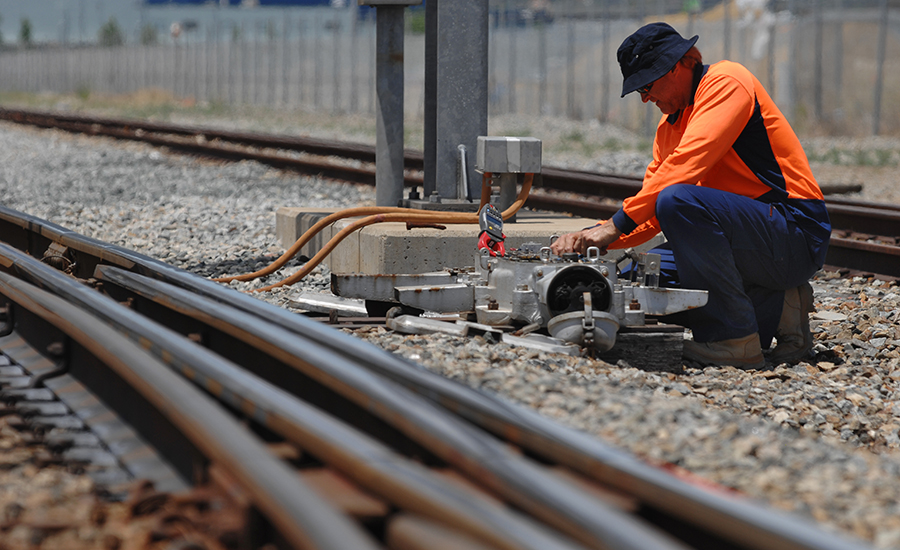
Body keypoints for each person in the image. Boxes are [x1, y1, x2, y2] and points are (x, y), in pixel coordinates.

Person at [550, 22, 830, 370]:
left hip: (794, 232)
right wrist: (597, 237)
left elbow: (684, 170)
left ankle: (736, 340)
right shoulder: (669, 126)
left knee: (678, 201)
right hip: (753, 240)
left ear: (680, 64)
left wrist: (615, 224)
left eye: (648, 84)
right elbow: (651, 210)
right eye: (639, 89)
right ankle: (781, 300)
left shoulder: (727, 82)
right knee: (639, 276)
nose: (645, 97)